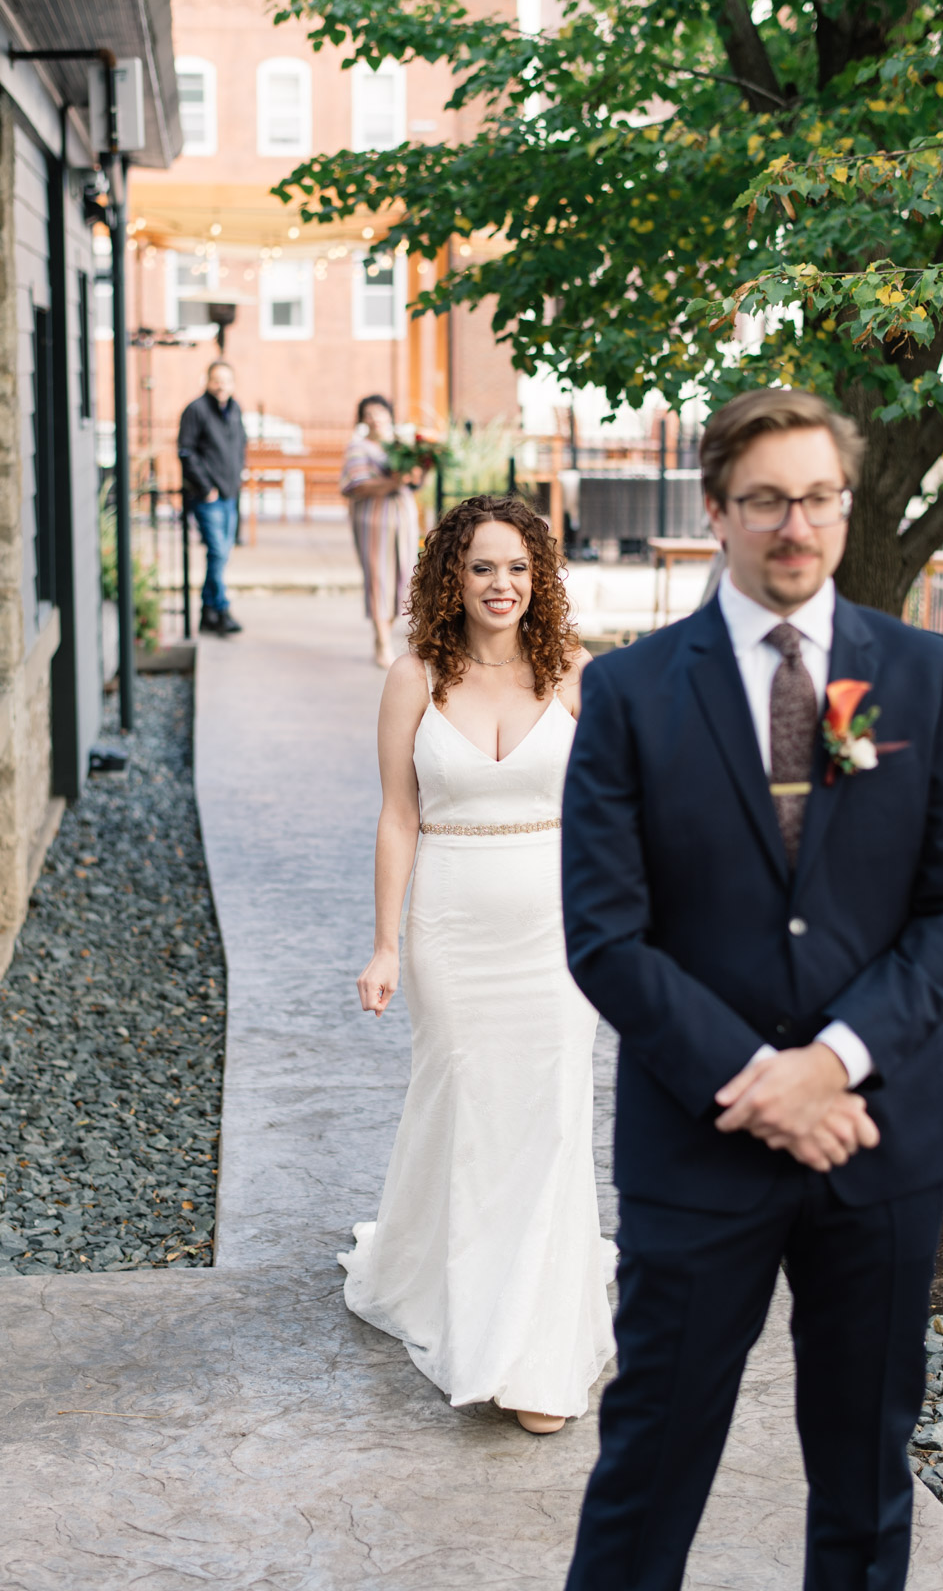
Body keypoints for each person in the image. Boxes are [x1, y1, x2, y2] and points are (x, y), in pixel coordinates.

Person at [560, 387, 943, 1590]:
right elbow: (604, 937)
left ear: (843, 509)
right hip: (701, 1147)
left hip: (879, 1138)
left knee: (863, 1474)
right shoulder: (631, 692)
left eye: (814, 498)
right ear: (716, 510)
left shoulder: (914, 675)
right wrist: (763, 1081)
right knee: (649, 1466)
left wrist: (831, 1062)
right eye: (764, 500)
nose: (792, 525)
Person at [345, 492, 615, 1434]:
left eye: (517, 567)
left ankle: (534, 1353)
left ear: (538, 578)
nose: (501, 584)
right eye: (481, 567)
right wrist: (386, 943)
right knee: (464, 1108)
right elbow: (397, 816)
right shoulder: (414, 676)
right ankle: (453, 1291)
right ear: (449, 578)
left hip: (556, 935)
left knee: (546, 1121)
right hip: (451, 931)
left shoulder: (576, 675)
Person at [340, 394, 421, 669]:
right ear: (363, 418)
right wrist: (393, 483)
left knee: (403, 576)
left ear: (389, 415)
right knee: (378, 578)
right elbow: (357, 485)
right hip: (373, 519)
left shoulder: (401, 445)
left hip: (403, 517)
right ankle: (382, 641)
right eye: (369, 413)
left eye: (380, 412)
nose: (375, 418)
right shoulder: (358, 447)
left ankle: (385, 630)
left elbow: (415, 482)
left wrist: (416, 474)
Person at [178, 360, 247, 636]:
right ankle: (221, 609)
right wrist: (206, 488)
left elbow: (240, 443)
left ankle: (208, 614)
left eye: (226, 381)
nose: (222, 386)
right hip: (208, 496)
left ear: (233, 383)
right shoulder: (195, 410)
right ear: (207, 381)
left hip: (230, 493)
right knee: (218, 551)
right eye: (217, 380)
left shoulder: (234, 408)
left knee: (220, 555)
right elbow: (186, 452)